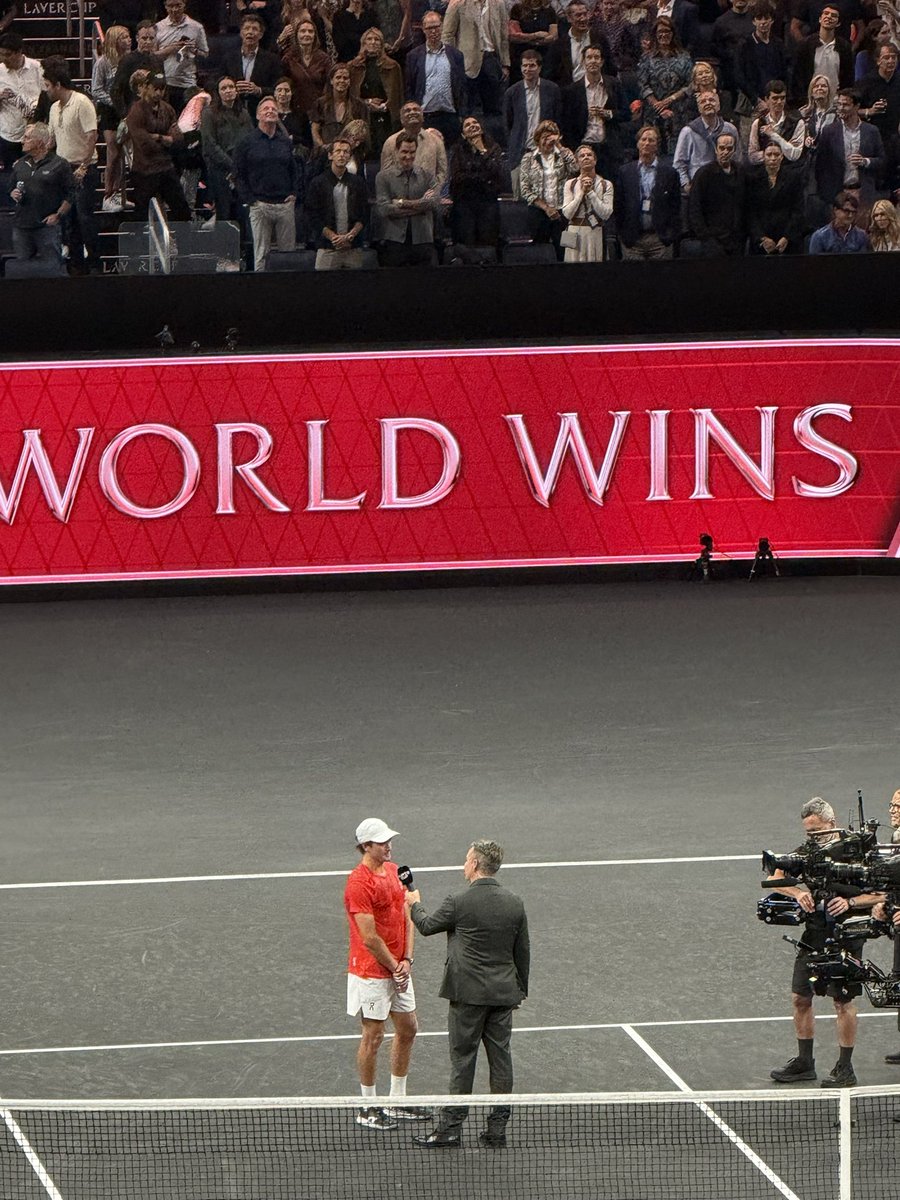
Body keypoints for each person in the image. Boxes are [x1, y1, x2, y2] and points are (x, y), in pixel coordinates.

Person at [405, 839, 530, 1149]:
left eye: (465, 860)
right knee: (501, 1061)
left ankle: (450, 1128)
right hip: (502, 996)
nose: (463, 864)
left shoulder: (458, 902)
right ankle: (497, 1130)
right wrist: (519, 992)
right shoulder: (515, 902)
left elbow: (426, 925)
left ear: (475, 864)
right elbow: (522, 952)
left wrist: (413, 903)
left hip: (467, 997)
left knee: (463, 1061)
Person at [766, 798, 882, 1086]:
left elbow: (884, 892)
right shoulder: (808, 852)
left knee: (843, 1001)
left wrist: (851, 901)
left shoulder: (860, 850)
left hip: (849, 934)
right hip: (814, 933)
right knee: (800, 997)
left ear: (833, 823)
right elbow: (775, 878)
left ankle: (845, 1067)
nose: (813, 838)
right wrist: (798, 893)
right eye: (808, 833)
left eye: (817, 831)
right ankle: (805, 1062)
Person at [344, 817, 422, 1130]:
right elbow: (369, 937)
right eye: (381, 842)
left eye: (389, 840)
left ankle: (397, 1101)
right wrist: (394, 966)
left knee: (408, 1029)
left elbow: (408, 915)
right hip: (371, 973)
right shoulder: (358, 883)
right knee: (373, 1036)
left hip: (399, 968)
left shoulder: (394, 871)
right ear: (366, 846)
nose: (389, 846)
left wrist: (407, 960)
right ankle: (368, 1106)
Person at [43, 60, 102, 275]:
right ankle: (76, 265)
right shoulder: (52, 108)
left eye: (47, 85)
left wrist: (84, 167)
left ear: (58, 84)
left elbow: (92, 136)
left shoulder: (81, 102)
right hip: (63, 168)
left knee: (85, 217)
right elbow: (51, 139)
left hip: (82, 168)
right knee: (68, 220)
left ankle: (95, 263)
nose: (45, 89)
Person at [233, 93, 300, 268]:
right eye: (266, 109)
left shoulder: (285, 142)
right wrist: (250, 200)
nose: (270, 111)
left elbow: (294, 170)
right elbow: (239, 174)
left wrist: (294, 194)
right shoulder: (246, 142)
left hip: (285, 205)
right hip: (260, 206)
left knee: (289, 256)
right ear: (257, 115)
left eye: (273, 109)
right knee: (261, 255)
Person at [126, 70, 192, 221]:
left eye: (161, 89)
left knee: (182, 211)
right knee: (141, 217)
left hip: (166, 167)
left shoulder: (167, 109)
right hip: (144, 170)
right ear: (146, 87)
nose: (158, 92)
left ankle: (181, 242)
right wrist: (167, 141)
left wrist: (159, 137)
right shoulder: (136, 111)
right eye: (155, 88)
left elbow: (178, 140)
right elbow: (145, 145)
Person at [8, 121, 73, 272]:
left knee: (52, 268)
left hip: (46, 226)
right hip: (22, 225)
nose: (22, 141)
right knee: (23, 270)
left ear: (40, 141)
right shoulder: (20, 164)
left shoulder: (59, 164)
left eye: (27, 137)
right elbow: (10, 187)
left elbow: (71, 193)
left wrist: (58, 215)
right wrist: (13, 193)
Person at [562, 43, 626, 183]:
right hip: (584, 148)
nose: (593, 61)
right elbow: (567, 124)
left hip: (609, 149)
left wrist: (607, 114)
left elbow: (626, 113)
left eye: (596, 57)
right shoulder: (572, 90)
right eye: (589, 57)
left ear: (602, 61)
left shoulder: (614, 84)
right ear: (583, 61)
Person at [614, 122, 681, 257]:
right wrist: (623, 235)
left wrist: (670, 235)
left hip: (659, 239)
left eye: (651, 140)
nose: (647, 143)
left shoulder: (669, 172)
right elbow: (618, 205)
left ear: (657, 145)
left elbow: (675, 207)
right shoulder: (625, 171)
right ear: (638, 143)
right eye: (643, 139)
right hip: (633, 240)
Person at [374, 130, 439, 264]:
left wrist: (402, 203)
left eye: (412, 152)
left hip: (423, 239)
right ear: (396, 151)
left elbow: (434, 202)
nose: (408, 156)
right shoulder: (383, 177)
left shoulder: (427, 175)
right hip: (394, 241)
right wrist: (421, 206)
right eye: (404, 152)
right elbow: (384, 209)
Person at [305, 135, 370, 266]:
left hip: (352, 247)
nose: (342, 155)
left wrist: (350, 235)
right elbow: (312, 215)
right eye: (338, 151)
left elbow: (365, 214)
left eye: (346, 152)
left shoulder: (358, 183)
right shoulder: (318, 183)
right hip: (327, 247)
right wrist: (332, 237)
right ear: (330, 156)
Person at [442, 0, 511, 122]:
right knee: (469, 108)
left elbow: (503, 34)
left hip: (492, 58)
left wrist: (505, 63)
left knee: (495, 109)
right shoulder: (457, 4)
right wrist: (452, 63)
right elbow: (447, 35)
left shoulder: (498, 4)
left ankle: (493, 139)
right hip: (466, 61)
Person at [814, 87, 884, 207]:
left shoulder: (871, 131)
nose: (841, 108)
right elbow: (821, 165)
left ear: (856, 107)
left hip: (863, 193)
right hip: (837, 194)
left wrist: (865, 161)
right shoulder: (829, 131)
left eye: (845, 105)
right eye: (839, 104)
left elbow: (882, 160)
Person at [504, 49, 561, 195]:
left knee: (547, 195)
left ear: (539, 68)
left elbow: (557, 120)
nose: (527, 69)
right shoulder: (512, 92)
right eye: (525, 66)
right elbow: (508, 124)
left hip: (546, 152)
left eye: (532, 65)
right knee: (520, 197)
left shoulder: (552, 90)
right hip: (520, 153)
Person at [405, 11, 467, 147]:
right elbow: (410, 87)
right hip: (425, 116)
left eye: (436, 26)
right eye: (429, 28)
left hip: (450, 115)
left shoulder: (456, 55)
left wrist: (462, 114)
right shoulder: (413, 56)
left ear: (442, 26)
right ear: (423, 29)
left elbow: (462, 86)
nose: (433, 31)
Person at [519, 117, 577, 253]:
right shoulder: (528, 158)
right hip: (538, 212)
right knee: (540, 251)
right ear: (538, 139)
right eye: (545, 137)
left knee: (566, 250)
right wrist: (546, 208)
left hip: (563, 211)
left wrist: (560, 147)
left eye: (552, 137)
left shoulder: (564, 154)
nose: (548, 141)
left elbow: (575, 169)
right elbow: (525, 189)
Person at [448, 114, 507, 248]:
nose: (472, 125)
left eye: (475, 122)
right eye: (467, 125)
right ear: (463, 134)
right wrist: (483, 177)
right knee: (466, 241)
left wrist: (482, 151)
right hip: (464, 202)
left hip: (487, 201)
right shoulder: (457, 150)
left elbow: (497, 173)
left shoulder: (493, 148)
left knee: (488, 241)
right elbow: (458, 177)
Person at [636, 16, 693, 153]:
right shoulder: (646, 58)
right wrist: (659, 106)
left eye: (667, 31)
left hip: (678, 112)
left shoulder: (684, 57)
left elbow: (691, 84)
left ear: (673, 33)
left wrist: (670, 100)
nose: (664, 35)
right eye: (660, 32)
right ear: (655, 35)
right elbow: (643, 85)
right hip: (653, 113)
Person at [200, 76, 253, 219]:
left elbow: (250, 140)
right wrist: (232, 165)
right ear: (218, 93)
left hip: (242, 169)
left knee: (243, 210)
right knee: (225, 211)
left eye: (231, 87)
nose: (228, 91)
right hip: (220, 169)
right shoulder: (209, 114)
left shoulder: (244, 113)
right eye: (224, 88)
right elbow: (210, 145)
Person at [91, 24, 132, 211]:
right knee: (113, 153)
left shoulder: (130, 60)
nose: (129, 40)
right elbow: (96, 89)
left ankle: (121, 193)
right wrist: (114, 102)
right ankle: (108, 194)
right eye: (124, 37)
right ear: (115, 40)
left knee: (124, 153)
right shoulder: (103, 62)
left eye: (129, 36)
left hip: (127, 108)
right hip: (109, 109)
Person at [687, 129, 745, 254]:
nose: (725, 152)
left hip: (736, 239)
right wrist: (705, 237)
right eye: (722, 148)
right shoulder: (704, 174)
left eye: (729, 149)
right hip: (712, 240)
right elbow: (694, 208)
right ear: (716, 149)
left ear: (734, 151)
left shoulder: (741, 172)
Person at [349, 26, 403, 155]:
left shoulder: (393, 66)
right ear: (363, 43)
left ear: (382, 43)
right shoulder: (353, 66)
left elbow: (398, 96)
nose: (373, 42)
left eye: (376, 39)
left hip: (386, 117)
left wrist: (384, 106)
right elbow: (350, 95)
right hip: (361, 117)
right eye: (369, 39)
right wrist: (367, 103)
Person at [220, 13, 283, 122]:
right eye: (247, 28)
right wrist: (232, 88)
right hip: (233, 112)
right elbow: (215, 81)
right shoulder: (229, 57)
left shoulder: (272, 59)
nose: (250, 32)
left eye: (254, 29)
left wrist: (258, 90)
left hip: (260, 113)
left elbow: (278, 88)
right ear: (241, 32)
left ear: (261, 34)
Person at [875, 789, 900, 1064]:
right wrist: (884, 904)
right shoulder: (895, 838)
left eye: (898, 806)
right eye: (892, 805)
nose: (893, 811)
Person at [673, 90, 741, 191]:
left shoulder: (730, 129)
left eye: (711, 100)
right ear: (699, 108)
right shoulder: (688, 132)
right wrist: (686, 184)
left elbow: (737, 158)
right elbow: (679, 163)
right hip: (698, 186)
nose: (708, 103)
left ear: (718, 105)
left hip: (726, 185)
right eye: (703, 101)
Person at [747, 141, 805, 252]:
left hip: (787, 238)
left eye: (776, 155)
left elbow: (798, 210)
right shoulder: (753, 179)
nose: (773, 158)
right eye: (769, 155)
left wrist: (786, 237)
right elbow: (750, 212)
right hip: (761, 239)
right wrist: (761, 238)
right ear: (763, 156)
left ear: (782, 157)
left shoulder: (793, 178)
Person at [153, 0, 209, 114]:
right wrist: (170, 50)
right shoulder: (158, 27)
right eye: (170, 6)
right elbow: (152, 56)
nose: (174, 10)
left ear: (184, 5)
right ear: (165, 7)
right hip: (165, 83)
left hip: (188, 83)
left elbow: (205, 54)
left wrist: (194, 50)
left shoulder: (196, 27)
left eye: (178, 5)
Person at [560, 141, 613, 260]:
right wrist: (581, 192)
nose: (586, 157)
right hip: (574, 232)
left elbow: (606, 213)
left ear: (595, 160)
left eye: (589, 155)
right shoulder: (570, 184)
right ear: (577, 162)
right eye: (582, 156)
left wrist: (591, 193)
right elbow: (567, 213)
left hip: (595, 231)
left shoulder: (606, 184)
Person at [0, 32, 43, 174]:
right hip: (8, 134)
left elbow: (47, 96)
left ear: (19, 52)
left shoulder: (37, 68)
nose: (3, 59)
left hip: (34, 135)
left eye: (8, 55)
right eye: (1, 54)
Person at [792, 3, 854, 102]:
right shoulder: (805, 45)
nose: (829, 17)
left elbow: (848, 78)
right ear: (820, 19)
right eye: (826, 13)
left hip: (835, 101)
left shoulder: (844, 47)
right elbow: (798, 77)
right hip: (810, 100)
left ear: (838, 23)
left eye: (833, 16)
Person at [381, 101, 448, 190]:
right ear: (401, 119)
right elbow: (386, 173)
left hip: (430, 196)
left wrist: (434, 191)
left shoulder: (436, 141)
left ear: (423, 117)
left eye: (416, 109)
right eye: (407, 111)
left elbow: (442, 171)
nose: (412, 112)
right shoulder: (390, 142)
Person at [747, 79, 806, 164]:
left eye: (782, 98)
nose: (779, 102)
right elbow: (752, 156)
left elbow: (795, 155)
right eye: (775, 98)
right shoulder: (758, 123)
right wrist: (781, 150)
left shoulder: (797, 122)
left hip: (789, 171)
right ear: (767, 99)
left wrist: (773, 135)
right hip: (765, 172)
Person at [310, 64, 366, 151]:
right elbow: (315, 131)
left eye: (345, 78)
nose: (342, 80)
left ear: (349, 82)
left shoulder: (359, 105)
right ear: (331, 80)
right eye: (338, 77)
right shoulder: (320, 104)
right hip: (325, 154)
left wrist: (345, 151)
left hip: (351, 154)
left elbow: (363, 134)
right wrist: (324, 149)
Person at [508, 0, 558, 84]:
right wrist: (535, 35)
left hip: (544, 56)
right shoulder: (517, 9)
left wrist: (541, 40)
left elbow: (553, 35)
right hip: (521, 55)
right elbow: (514, 36)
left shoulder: (549, 10)